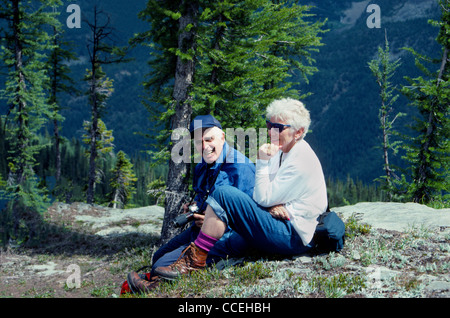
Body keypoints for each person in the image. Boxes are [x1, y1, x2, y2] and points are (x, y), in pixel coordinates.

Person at [154, 98, 328, 280]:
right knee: (158, 258)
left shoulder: (299, 159)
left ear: (298, 132)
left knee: (223, 194)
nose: (270, 131)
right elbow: (271, 192)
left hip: (294, 234)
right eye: (269, 125)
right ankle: (163, 276)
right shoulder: (284, 151)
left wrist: (261, 163)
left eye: (277, 127)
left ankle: (192, 265)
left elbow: (261, 198)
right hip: (280, 223)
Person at [124, 114, 255, 294]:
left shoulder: (241, 168)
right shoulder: (202, 166)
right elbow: (204, 197)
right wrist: (196, 207)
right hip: (199, 230)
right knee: (158, 257)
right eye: (199, 142)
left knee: (161, 265)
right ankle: (160, 278)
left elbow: (249, 218)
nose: (205, 146)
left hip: (227, 235)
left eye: (209, 139)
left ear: (222, 137)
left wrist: (213, 222)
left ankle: (155, 287)